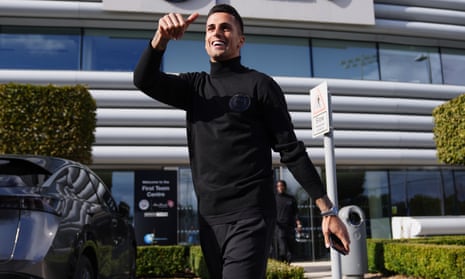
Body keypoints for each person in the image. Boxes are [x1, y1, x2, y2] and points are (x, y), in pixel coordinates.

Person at [133, 4, 350, 279]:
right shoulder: (194, 88)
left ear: (240, 40)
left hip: (250, 215)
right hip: (209, 220)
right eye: (211, 28)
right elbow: (143, 80)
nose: (217, 32)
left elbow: (290, 150)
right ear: (205, 41)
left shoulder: (260, 85)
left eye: (226, 27)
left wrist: (327, 209)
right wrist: (160, 38)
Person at [274, 180, 299, 263]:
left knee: (291, 246)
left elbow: (295, 212)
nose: (280, 187)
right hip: (279, 227)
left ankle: (287, 264)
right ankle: (284, 262)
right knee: (283, 248)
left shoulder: (291, 199)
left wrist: (298, 223)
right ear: (276, 188)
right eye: (278, 186)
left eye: (282, 186)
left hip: (290, 226)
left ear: (285, 187)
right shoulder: (274, 199)